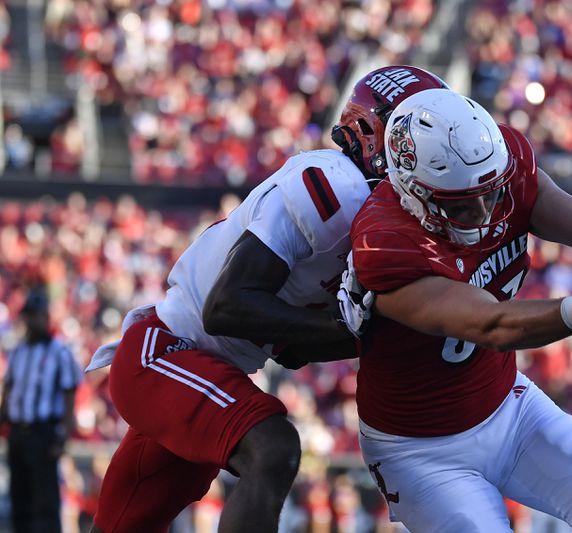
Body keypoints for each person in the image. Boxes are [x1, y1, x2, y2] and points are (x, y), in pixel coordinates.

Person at [85, 65, 448, 533]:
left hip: (209, 369)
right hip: (167, 352)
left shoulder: (375, 219)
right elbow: (227, 306)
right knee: (273, 448)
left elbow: (292, 351)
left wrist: (381, 334)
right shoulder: (336, 185)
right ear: (375, 134)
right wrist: (353, 328)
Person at [345, 89, 572, 532]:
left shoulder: (502, 167)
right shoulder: (385, 241)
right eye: (460, 203)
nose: (482, 211)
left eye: (489, 194)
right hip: (420, 450)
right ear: (413, 193)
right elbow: (491, 323)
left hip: (508, 404)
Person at [0, 288, 82, 533]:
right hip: (18, 432)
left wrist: (63, 437)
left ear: (45, 318)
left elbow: (69, 396)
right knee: (20, 498)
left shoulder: (60, 352)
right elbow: (9, 389)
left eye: (34, 316)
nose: (30, 321)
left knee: (45, 502)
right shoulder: (19, 351)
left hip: (43, 434)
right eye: (28, 316)